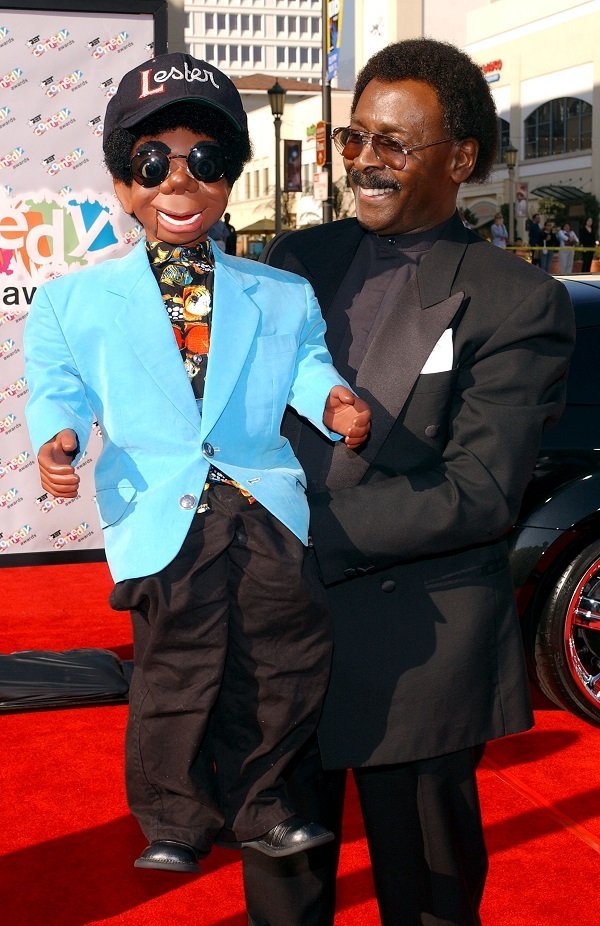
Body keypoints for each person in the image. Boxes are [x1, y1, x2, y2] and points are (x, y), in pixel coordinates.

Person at [241, 37, 575, 926]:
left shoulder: (517, 298)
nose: (366, 162)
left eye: (394, 142)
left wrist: (300, 526)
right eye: (355, 140)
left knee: (424, 901)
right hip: (283, 639)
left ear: (460, 159)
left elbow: (480, 490)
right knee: (282, 897)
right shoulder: (294, 263)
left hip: (417, 645)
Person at [23, 52, 371, 876]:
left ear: (226, 181)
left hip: (262, 496)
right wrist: (57, 435)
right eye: (154, 163)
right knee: (177, 666)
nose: (179, 183)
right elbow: (58, 385)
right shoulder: (72, 302)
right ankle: (175, 818)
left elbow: (308, 362)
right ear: (123, 183)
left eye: (205, 162)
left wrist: (333, 400)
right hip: (160, 502)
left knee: (286, 657)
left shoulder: (279, 293)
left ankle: (263, 805)